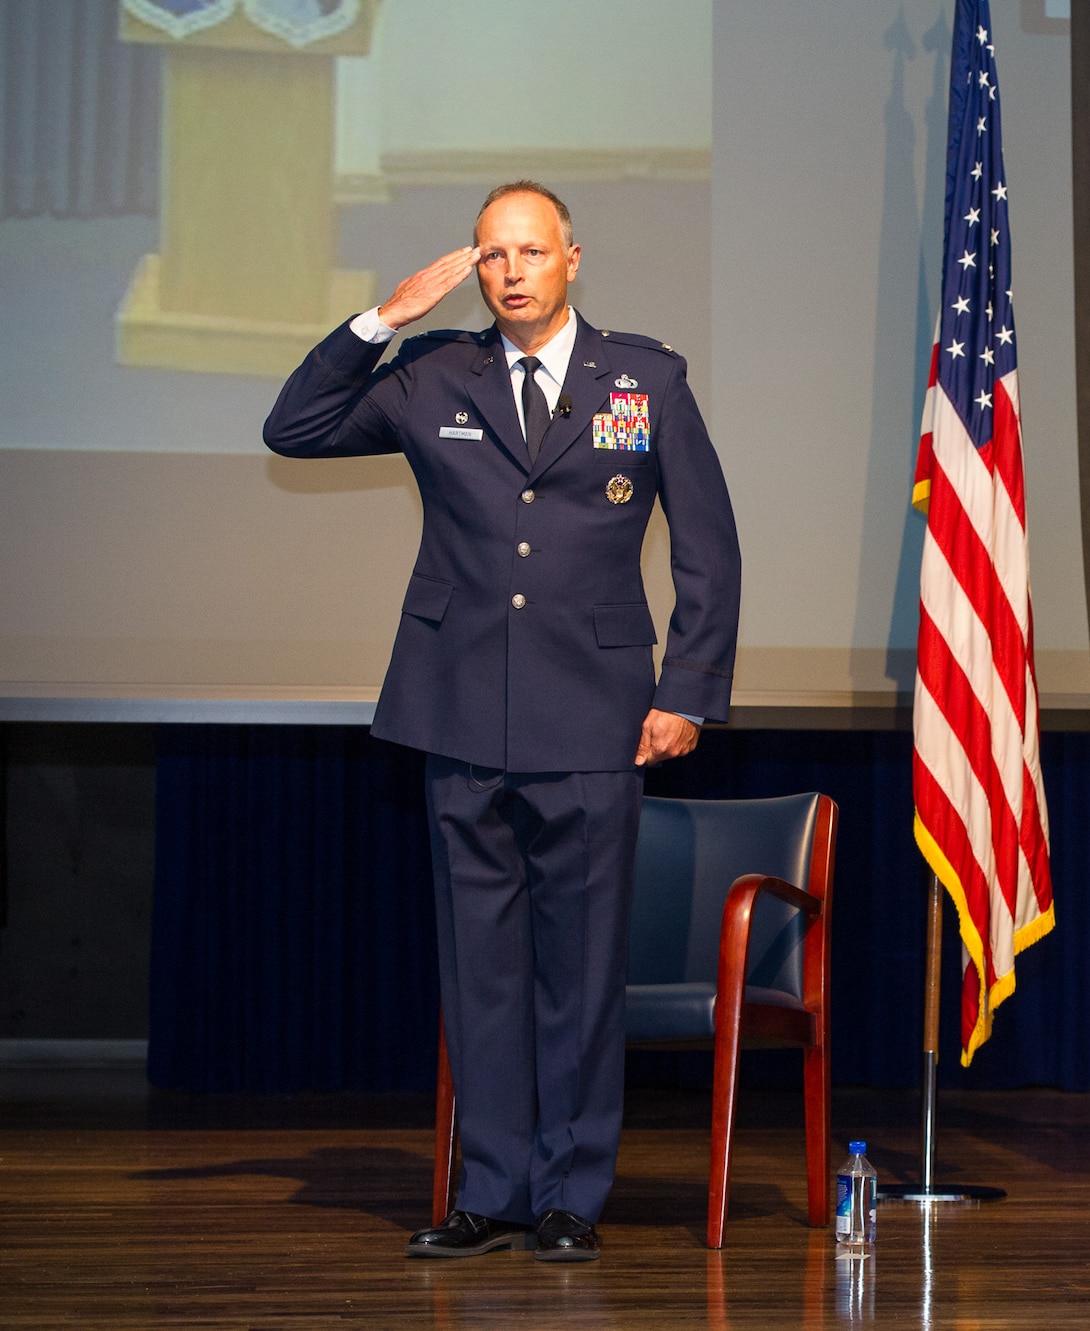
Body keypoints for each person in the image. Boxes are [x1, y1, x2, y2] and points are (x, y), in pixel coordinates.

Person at [263, 182, 741, 1263]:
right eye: (490, 255)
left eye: (528, 251)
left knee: (579, 968)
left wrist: (687, 690)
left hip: (598, 711)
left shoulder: (645, 376)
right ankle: (489, 1188)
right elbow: (292, 428)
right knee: (479, 968)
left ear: (571, 257)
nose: (510, 270)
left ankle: (571, 1191)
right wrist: (378, 321)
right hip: (461, 703)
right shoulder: (432, 371)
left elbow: (709, 544)